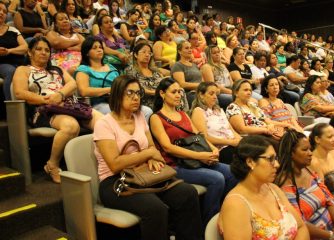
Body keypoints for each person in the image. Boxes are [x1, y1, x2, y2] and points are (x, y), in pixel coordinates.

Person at [94, 75, 202, 240]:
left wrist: (151, 157)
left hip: (143, 174)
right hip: (116, 181)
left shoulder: (139, 118)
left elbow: (151, 148)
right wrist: (147, 154)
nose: (136, 97)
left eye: (138, 93)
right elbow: (115, 164)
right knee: (155, 208)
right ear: (117, 94)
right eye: (130, 93)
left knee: (187, 193)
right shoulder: (104, 124)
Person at [12, 37, 102, 183]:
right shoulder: (23, 70)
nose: (44, 53)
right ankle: (52, 164)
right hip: (43, 110)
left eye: (47, 50)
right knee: (71, 126)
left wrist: (59, 95)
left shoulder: (57, 69)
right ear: (29, 52)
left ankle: (103, 160)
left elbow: (72, 84)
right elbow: (20, 93)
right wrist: (47, 100)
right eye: (39, 49)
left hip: (69, 105)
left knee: (103, 122)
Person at [150, 78, 237, 225]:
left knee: (232, 172)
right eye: (173, 92)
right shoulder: (156, 117)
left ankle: (224, 212)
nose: (178, 95)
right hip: (175, 165)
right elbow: (167, 147)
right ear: (162, 94)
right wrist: (200, 156)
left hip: (195, 160)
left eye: (179, 91)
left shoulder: (183, 114)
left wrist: (212, 148)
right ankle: (209, 223)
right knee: (217, 179)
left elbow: (199, 135)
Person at [219, 135, 309, 240]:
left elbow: (301, 227)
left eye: (276, 158)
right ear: (250, 162)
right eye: (270, 159)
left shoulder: (273, 189)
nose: (277, 164)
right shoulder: (236, 204)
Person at [190, 82, 241, 164]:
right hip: (219, 149)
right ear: (201, 95)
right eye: (211, 94)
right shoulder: (198, 111)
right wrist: (230, 142)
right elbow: (204, 138)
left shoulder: (219, 110)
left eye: (216, 94)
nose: (215, 97)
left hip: (232, 144)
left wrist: (241, 140)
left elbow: (231, 130)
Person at [225, 79, 283, 150]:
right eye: (245, 90)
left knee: (288, 137)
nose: (249, 92)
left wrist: (271, 126)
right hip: (251, 138)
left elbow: (266, 120)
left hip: (265, 133)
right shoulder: (233, 107)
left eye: (250, 90)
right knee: (280, 144)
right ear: (236, 93)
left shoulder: (252, 105)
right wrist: (265, 130)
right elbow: (242, 129)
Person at [125, 42, 170, 110]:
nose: (147, 55)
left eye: (149, 53)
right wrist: (156, 93)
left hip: (162, 99)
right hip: (144, 101)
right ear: (135, 55)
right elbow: (135, 89)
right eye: (144, 52)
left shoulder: (155, 71)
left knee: (180, 91)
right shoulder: (131, 70)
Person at [0, 1, 28, 101]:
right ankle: (12, 108)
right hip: (3, 64)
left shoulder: (12, 29)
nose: (1, 13)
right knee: (11, 72)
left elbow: (25, 47)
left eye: (4, 11)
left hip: (20, 62)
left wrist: (9, 51)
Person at [201, 45, 233, 109]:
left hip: (230, 90)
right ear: (209, 55)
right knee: (236, 99)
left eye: (218, 52)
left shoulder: (223, 66)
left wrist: (237, 90)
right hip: (219, 93)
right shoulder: (207, 67)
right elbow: (212, 85)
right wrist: (230, 92)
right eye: (214, 53)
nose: (217, 54)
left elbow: (231, 82)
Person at [171, 40, 202, 107]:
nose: (190, 50)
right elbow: (182, 84)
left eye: (190, 48)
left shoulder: (194, 65)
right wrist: (200, 85)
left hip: (201, 92)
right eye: (186, 48)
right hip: (189, 94)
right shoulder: (177, 65)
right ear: (179, 51)